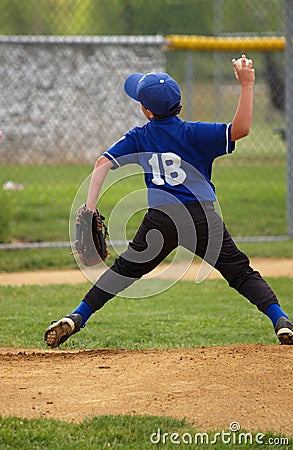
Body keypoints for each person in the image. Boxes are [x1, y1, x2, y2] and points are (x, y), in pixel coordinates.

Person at [44, 55, 293, 348]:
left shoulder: (141, 136)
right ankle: (281, 320)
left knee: (123, 272)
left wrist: (88, 209)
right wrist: (247, 85)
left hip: (160, 220)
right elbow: (240, 129)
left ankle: (77, 316)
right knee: (239, 272)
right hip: (202, 217)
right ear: (180, 105)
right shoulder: (195, 133)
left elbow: (102, 164)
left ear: (146, 111)